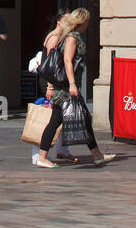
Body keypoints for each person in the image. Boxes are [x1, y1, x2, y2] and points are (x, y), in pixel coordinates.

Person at [36, 9, 115, 168]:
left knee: (83, 119)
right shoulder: (72, 37)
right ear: (82, 22)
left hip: (66, 87)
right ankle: (42, 157)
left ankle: (96, 155)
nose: (88, 25)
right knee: (56, 121)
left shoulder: (69, 35)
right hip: (65, 89)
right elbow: (67, 61)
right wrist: (72, 84)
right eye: (87, 21)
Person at [29, 11, 74, 165]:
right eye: (67, 19)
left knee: (60, 117)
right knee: (49, 118)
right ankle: (38, 155)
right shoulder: (54, 37)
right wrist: (50, 87)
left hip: (52, 82)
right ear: (59, 21)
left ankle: (61, 150)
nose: (71, 22)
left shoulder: (59, 37)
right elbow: (51, 64)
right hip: (50, 82)